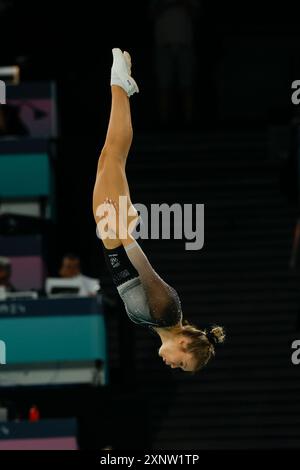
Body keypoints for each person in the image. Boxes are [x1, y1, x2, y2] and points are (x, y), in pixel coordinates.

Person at [92, 48, 225, 373]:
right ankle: (119, 83)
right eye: (181, 364)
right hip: (116, 234)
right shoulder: (167, 313)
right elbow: (146, 271)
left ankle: (123, 86)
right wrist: (122, 233)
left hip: (115, 237)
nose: (172, 366)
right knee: (112, 156)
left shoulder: (159, 322)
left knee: (110, 158)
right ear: (184, 344)